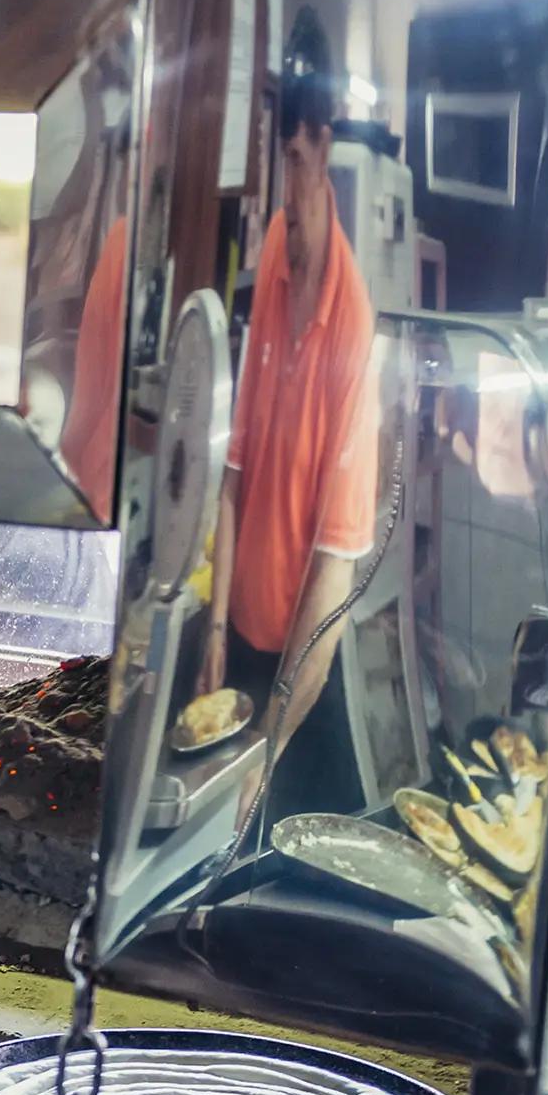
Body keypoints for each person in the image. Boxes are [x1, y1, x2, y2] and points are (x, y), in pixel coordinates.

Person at [196, 67, 383, 821]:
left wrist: (267, 746)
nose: (282, 194)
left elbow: (334, 574)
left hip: (299, 671)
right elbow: (234, 469)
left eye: (294, 162)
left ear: (322, 148)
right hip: (238, 648)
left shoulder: (353, 330)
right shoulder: (277, 241)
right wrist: (214, 631)